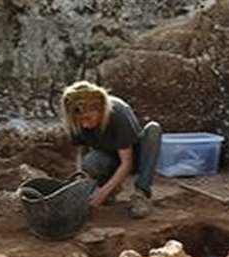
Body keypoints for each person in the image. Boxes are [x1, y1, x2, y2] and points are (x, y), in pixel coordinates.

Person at [61, 80, 162, 219]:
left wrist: (101, 193)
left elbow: (127, 163)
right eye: (79, 121)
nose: (84, 125)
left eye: (88, 119)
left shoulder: (117, 114)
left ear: (99, 109)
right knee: (91, 162)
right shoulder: (75, 118)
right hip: (108, 157)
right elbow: (81, 152)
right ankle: (111, 189)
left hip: (136, 156)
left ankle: (141, 194)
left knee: (153, 130)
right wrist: (81, 182)